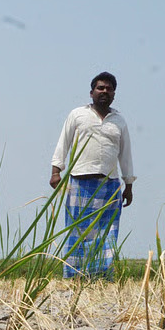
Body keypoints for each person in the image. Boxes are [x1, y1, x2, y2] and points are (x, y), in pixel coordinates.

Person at [49, 71, 136, 279]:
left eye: (109, 89)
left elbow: (125, 154)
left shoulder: (119, 121)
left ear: (114, 94)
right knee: (78, 231)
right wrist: (56, 171)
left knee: (107, 232)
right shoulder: (78, 115)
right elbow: (63, 142)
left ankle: (101, 277)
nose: (104, 91)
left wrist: (129, 185)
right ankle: (74, 276)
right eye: (100, 88)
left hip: (110, 183)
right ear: (91, 92)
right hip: (80, 181)